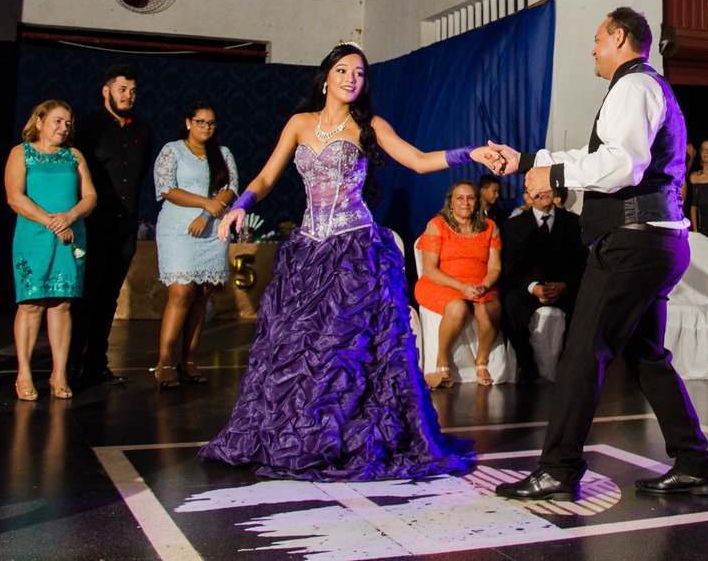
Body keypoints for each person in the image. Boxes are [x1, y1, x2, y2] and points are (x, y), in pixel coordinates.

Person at [199, 42, 497, 480]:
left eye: (359, 73)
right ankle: (295, 437)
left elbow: (416, 160)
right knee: (294, 349)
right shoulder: (300, 123)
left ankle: (341, 439)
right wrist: (240, 204)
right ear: (326, 78)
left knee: (343, 352)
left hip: (352, 253)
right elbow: (266, 176)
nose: (350, 79)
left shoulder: (369, 125)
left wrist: (468, 153)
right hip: (307, 252)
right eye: (342, 70)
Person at [491, 7, 708, 501]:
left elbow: (621, 167)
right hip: (656, 242)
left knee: (581, 354)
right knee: (646, 355)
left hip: (633, 243)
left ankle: (559, 469)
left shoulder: (632, 87)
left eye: (597, 39)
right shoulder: (643, 87)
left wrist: (552, 175)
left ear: (618, 37)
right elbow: (603, 158)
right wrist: (528, 161)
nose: (591, 49)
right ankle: (694, 462)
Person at [5, 100, 97, 400]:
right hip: (34, 237)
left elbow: (90, 196)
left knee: (61, 304)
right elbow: (15, 197)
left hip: (70, 236)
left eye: (68, 123)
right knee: (31, 304)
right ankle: (24, 374)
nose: (64, 127)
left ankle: (59, 374)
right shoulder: (21, 153)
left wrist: (69, 217)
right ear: (39, 122)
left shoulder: (74, 156)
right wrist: (53, 223)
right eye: (58, 121)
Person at [70, 64, 154, 386]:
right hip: (92, 226)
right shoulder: (86, 127)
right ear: (106, 92)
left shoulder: (142, 130)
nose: (128, 96)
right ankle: (69, 366)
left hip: (124, 228)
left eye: (132, 91)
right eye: (122, 90)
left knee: (108, 299)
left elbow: (140, 173)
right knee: (85, 297)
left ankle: (96, 364)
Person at [151, 102, 239, 389]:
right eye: (200, 122)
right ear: (188, 122)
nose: (206, 127)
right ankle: (164, 363)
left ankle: (188, 362)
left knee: (202, 294)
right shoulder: (172, 150)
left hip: (212, 231)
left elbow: (231, 188)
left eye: (211, 123)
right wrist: (205, 203)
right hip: (178, 230)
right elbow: (166, 188)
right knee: (181, 291)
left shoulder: (223, 153)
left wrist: (207, 214)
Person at [415, 180, 503, 388]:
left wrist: (485, 286)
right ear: (451, 202)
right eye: (460, 198)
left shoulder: (490, 227)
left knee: (492, 308)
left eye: (470, 198)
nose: (466, 202)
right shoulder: (437, 225)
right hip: (442, 284)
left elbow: (495, 268)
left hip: (478, 284)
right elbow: (430, 270)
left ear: (477, 202)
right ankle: (441, 361)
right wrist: (461, 287)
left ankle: (481, 362)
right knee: (457, 308)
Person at [499, 185, 587, 383]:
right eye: (536, 191)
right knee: (510, 303)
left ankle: (569, 366)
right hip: (529, 290)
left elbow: (581, 263)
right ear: (527, 197)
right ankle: (526, 365)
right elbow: (510, 268)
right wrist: (533, 287)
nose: (543, 193)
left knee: (584, 304)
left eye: (546, 188)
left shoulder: (573, 222)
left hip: (564, 288)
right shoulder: (513, 226)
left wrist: (564, 285)